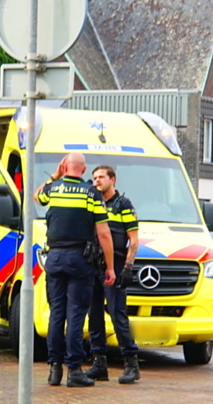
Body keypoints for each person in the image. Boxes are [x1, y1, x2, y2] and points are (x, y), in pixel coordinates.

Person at [34, 153, 116, 388]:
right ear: (84, 169)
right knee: (76, 315)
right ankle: (74, 371)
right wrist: (110, 267)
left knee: (56, 315)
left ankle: (54, 370)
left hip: (55, 258)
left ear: (64, 166)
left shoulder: (54, 188)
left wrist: (55, 175)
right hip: (79, 259)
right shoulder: (92, 193)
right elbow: (103, 233)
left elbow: (36, 197)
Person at [85, 165, 141, 384]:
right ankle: (99, 364)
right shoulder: (93, 204)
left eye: (101, 177)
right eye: (94, 178)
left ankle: (131, 364)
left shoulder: (123, 205)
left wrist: (128, 267)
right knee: (94, 315)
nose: (97, 181)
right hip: (94, 265)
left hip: (116, 264)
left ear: (113, 180)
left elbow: (133, 240)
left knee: (118, 314)